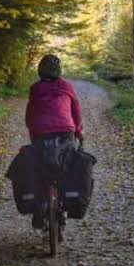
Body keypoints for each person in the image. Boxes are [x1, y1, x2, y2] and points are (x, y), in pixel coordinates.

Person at [25, 54, 83, 229]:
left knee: (38, 167)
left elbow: (30, 115)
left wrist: (33, 132)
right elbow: (76, 113)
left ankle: (38, 210)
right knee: (66, 166)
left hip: (40, 133)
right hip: (66, 131)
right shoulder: (67, 86)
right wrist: (79, 133)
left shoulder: (35, 88)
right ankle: (65, 204)